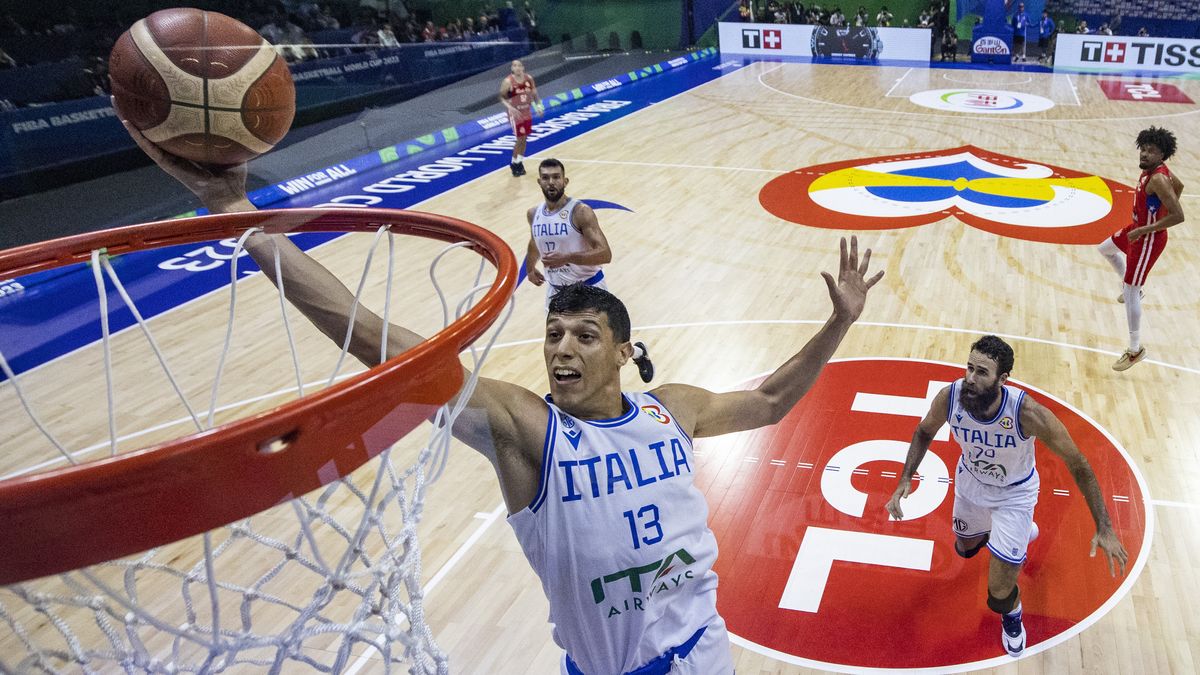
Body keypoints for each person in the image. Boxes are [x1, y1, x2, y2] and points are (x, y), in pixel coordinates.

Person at [116, 106, 885, 675]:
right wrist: (243, 221)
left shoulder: (669, 407)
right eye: (554, 336)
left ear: (623, 351)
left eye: (584, 336)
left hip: (705, 654)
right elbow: (370, 333)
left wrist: (837, 324)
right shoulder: (524, 426)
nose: (561, 349)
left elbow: (774, 399)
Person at [885, 335, 1128, 657]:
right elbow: (924, 431)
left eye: (981, 372)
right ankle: (1019, 536)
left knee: (998, 594)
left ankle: (1012, 615)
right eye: (969, 367)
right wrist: (905, 478)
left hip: (1014, 496)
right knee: (966, 549)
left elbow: (1078, 464)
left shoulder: (1028, 413)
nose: (970, 378)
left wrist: (1105, 527)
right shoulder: (951, 397)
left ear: (1002, 379)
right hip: (971, 485)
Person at [522, 159, 655, 383]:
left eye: (556, 177)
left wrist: (569, 257)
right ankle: (571, 388)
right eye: (546, 178)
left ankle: (639, 354)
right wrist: (529, 267)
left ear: (565, 181)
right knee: (558, 344)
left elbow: (605, 253)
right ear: (539, 182)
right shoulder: (533, 213)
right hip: (556, 292)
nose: (551, 182)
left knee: (606, 347)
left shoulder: (580, 212)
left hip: (589, 288)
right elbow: (535, 240)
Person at [1097, 127, 1185, 371]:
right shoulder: (1153, 172)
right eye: (1143, 149)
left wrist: (1147, 228)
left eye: (1151, 151)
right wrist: (1156, 210)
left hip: (1147, 238)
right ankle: (1132, 291)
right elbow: (1180, 186)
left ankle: (1135, 350)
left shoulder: (1157, 178)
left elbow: (1178, 215)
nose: (1144, 154)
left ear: (1162, 155)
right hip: (1137, 229)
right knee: (1104, 249)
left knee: (1131, 286)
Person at [499, 59, 540, 177]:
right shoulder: (508, 81)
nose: (517, 68)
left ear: (523, 67)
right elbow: (502, 97)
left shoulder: (529, 79)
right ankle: (514, 164)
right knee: (519, 139)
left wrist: (538, 106)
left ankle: (519, 162)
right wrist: (510, 108)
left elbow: (534, 94)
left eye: (519, 66)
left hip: (526, 111)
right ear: (512, 68)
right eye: (515, 66)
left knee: (524, 139)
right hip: (515, 114)